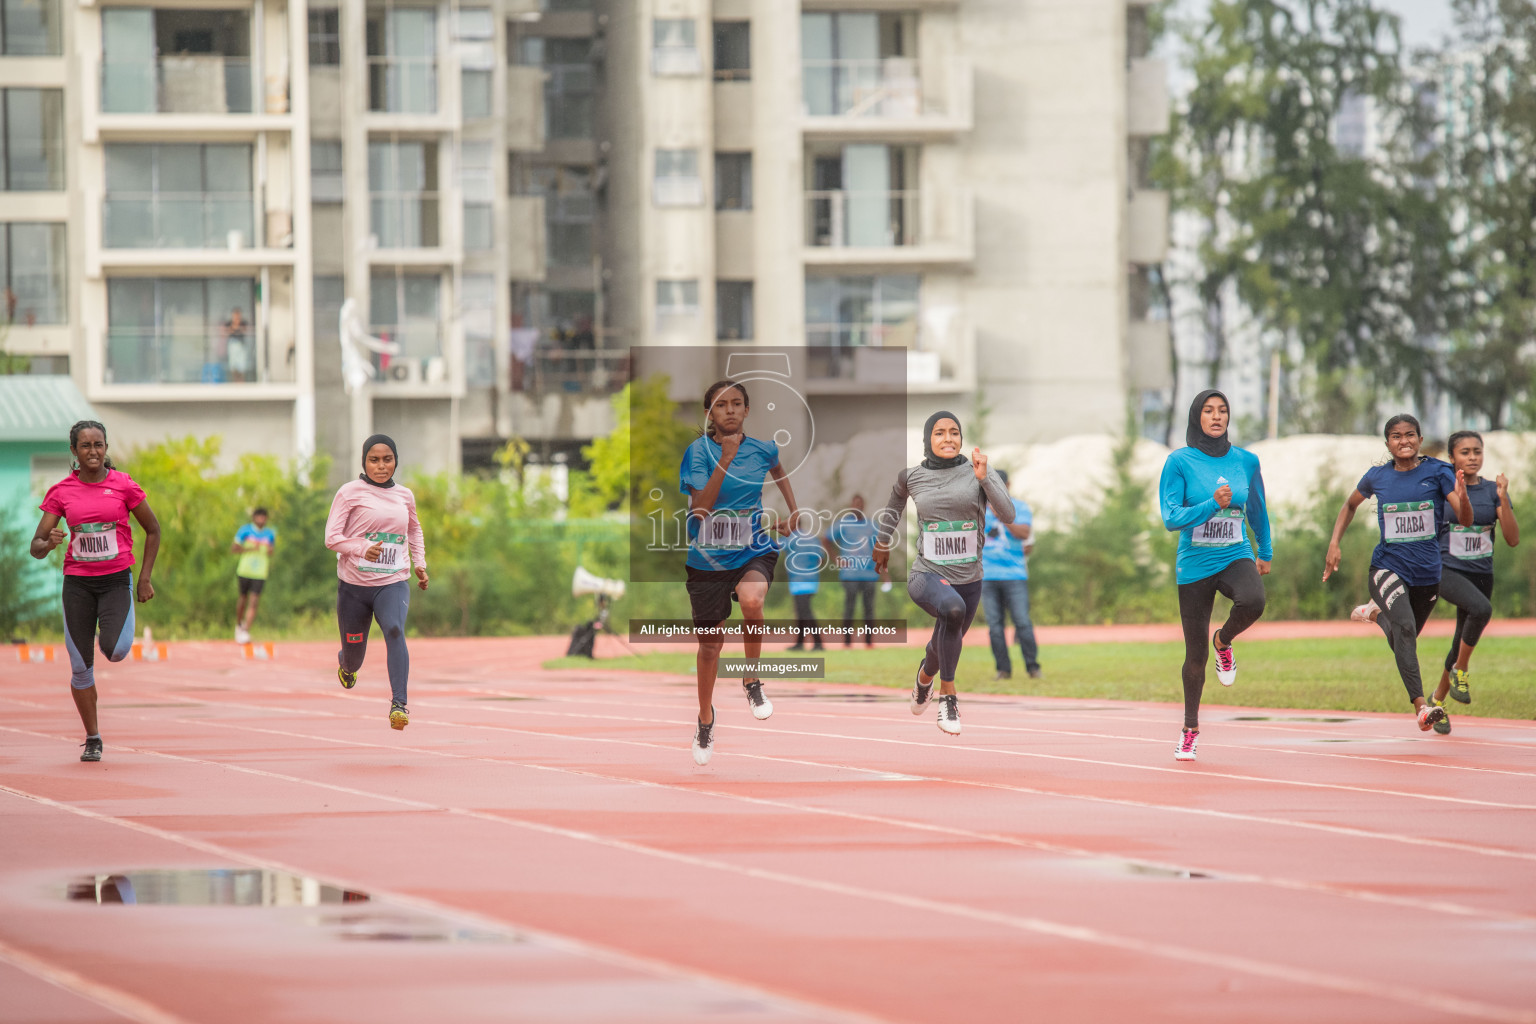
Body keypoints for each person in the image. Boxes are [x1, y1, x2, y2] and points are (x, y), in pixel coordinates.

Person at [1356, 431, 1520, 734]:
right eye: (1464, 452)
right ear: (1451, 458)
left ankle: (1437, 700)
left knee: (1461, 637)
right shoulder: (1442, 489)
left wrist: (1502, 499)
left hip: (1482, 573)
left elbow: (1512, 539)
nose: (1472, 458)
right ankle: (1460, 670)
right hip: (1444, 571)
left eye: (1477, 452)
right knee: (1481, 610)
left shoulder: (1491, 491)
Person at [680, 379, 801, 765]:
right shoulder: (697, 453)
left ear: (747, 410)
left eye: (736, 404)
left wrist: (793, 508)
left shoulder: (763, 449)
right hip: (708, 560)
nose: (729, 410)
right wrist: (726, 459)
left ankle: (751, 678)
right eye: (721, 405)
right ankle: (705, 717)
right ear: (709, 414)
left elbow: (778, 467)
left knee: (752, 599)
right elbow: (701, 509)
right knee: (710, 647)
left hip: (753, 547)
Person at [1325, 414, 1470, 733]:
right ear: (1388, 443)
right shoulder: (1376, 477)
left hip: (1428, 574)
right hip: (1386, 567)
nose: (1403, 440)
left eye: (1409, 435)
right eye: (1395, 436)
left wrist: (1463, 493)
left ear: (1419, 439)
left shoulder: (1438, 472)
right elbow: (1349, 506)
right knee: (1404, 629)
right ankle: (1422, 707)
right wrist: (1335, 542)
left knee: (1405, 639)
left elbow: (1465, 517)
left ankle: (1376, 614)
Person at [873, 411, 1013, 735]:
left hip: (969, 578)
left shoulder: (978, 471)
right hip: (927, 573)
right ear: (928, 440)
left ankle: (924, 679)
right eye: (939, 433)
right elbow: (894, 505)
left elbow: (1007, 514)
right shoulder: (912, 476)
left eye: (954, 432)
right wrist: (882, 542)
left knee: (944, 641)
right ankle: (948, 697)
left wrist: (985, 477)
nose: (948, 438)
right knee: (952, 610)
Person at [29, 420, 161, 763]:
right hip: (78, 584)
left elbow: (154, 529)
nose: (93, 451)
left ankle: (110, 623)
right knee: (80, 668)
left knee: (115, 650)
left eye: (98, 445)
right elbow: (36, 545)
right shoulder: (61, 492)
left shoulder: (123, 485)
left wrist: (144, 578)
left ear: (106, 448)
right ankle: (93, 737)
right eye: (85, 446)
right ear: (74, 451)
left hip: (116, 579)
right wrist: (49, 541)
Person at [1158, 391, 1272, 762]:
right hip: (1194, 564)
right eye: (1208, 411)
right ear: (1197, 417)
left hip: (1235, 552)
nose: (1217, 416)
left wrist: (1265, 550)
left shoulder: (1246, 461)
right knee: (1194, 655)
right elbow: (1172, 517)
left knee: (1254, 601)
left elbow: (1257, 509)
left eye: (1223, 410)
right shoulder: (1179, 462)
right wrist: (1212, 504)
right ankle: (1189, 730)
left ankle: (1224, 641)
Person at [324, 434, 429, 730]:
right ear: (364, 462)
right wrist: (360, 548)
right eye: (374, 460)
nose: (381, 466)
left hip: (392, 582)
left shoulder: (405, 495)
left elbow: (414, 530)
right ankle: (346, 663)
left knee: (395, 629)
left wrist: (419, 563)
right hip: (354, 588)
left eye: (387, 460)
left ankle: (399, 704)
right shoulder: (349, 493)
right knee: (354, 657)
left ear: (395, 461)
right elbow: (331, 538)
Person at [981, 469, 1041, 681]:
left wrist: (1003, 514)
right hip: (986, 577)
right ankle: (1003, 670)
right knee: (995, 627)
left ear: (1008, 486)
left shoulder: (1020, 507)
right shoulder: (977, 509)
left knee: (1022, 622)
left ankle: (1033, 667)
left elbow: (1024, 534)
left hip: (1014, 576)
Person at [825, 494, 885, 648]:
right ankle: (847, 643)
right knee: (849, 608)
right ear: (851, 506)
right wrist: (836, 559)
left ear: (863, 506)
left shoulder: (872, 525)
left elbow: (881, 548)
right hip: (849, 574)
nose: (857, 506)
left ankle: (869, 643)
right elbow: (826, 539)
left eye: (860, 503)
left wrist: (884, 572)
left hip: (870, 575)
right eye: (855, 504)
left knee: (869, 609)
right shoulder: (842, 524)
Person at [231, 506, 275, 644]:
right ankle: (238, 624)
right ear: (254, 517)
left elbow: (271, 552)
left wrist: (268, 550)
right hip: (245, 571)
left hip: (260, 573)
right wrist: (250, 547)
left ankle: (245, 630)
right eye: (259, 516)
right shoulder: (245, 530)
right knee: (243, 599)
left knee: (254, 601)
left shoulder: (270, 534)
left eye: (264, 517)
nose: (261, 519)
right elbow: (234, 548)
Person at [784, 519, 825, 651]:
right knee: (802, 613)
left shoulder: (791, 538)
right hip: (812, 580)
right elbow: (821, 557)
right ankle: (799, 643)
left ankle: (818, 643)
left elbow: (774, 546)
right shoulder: (812, 538)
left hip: (798, 581)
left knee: (805, 613)